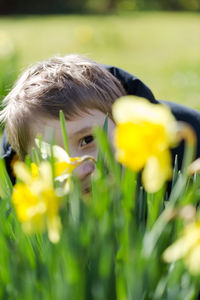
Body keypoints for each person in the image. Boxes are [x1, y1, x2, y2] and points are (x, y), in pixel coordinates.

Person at [1, 54, 200, 191]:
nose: (78, 171)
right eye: (52, 158)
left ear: (126, 128)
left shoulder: (182, 170)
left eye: (87, 140)